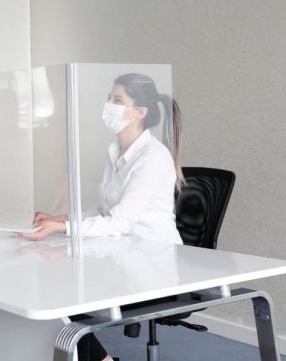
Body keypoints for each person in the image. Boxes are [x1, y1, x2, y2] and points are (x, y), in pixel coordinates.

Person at [21, 72, 184, 361]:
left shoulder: (153, 158)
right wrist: (61, 219)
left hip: (151, 264)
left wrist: (63, 227)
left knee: (60, 295)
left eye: (117, 99)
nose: (108, 104)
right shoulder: (115, 151)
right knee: (46, 282)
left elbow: (120, 221)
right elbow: (104, 211)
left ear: (140, 112)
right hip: (120, 254)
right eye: (109, 97)